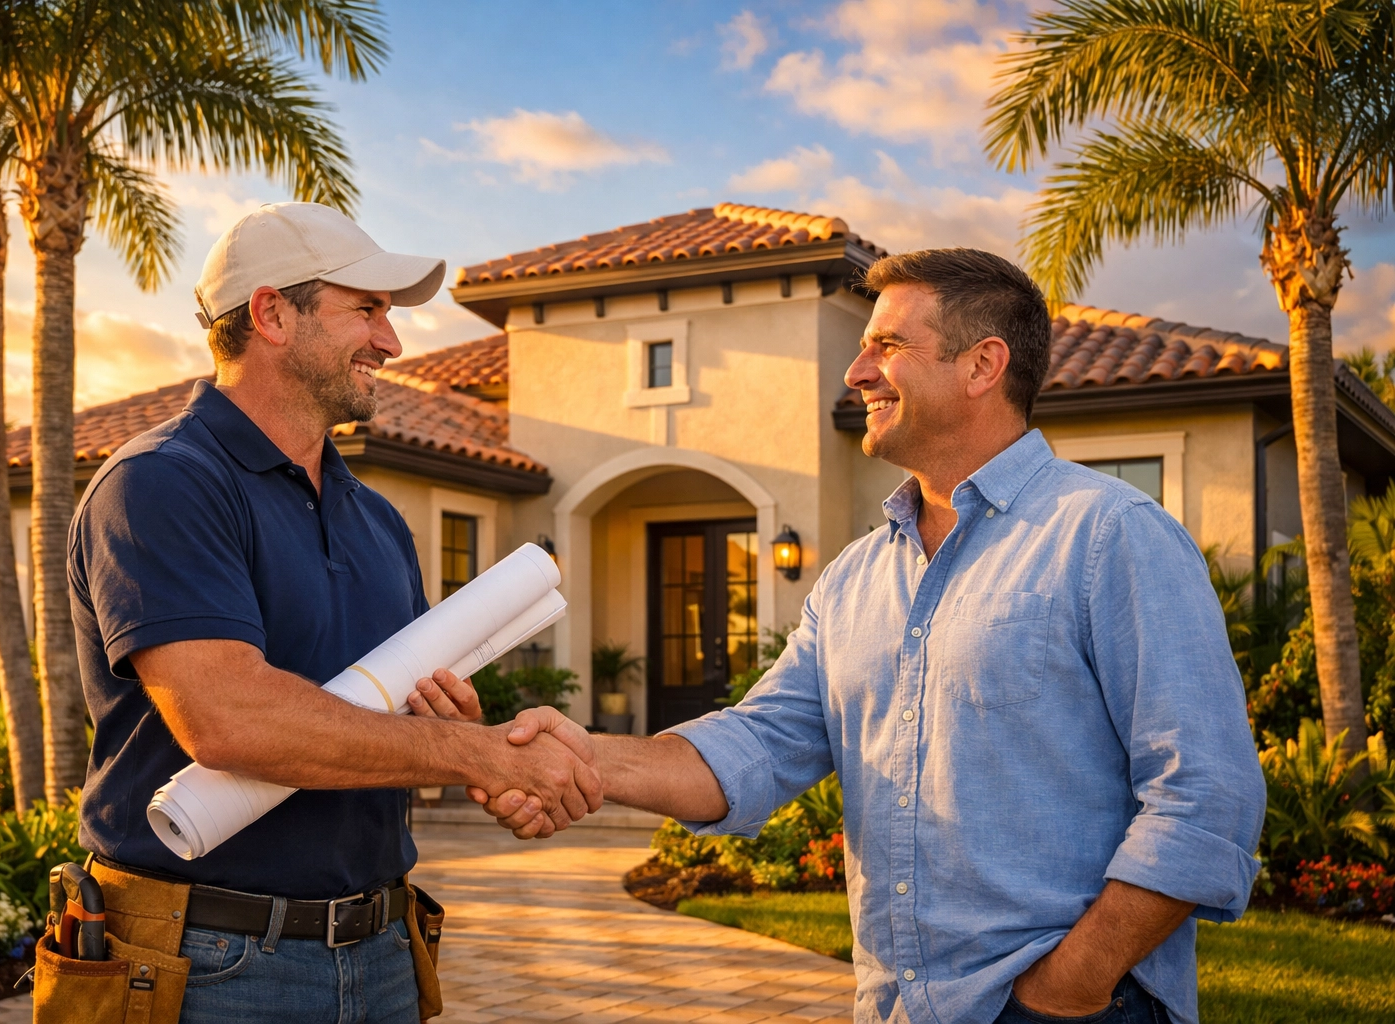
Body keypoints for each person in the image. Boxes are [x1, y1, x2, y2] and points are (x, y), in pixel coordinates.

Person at [475, 249, 1267, 1024]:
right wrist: (577, 755)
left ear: (983, 365)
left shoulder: (1108, 536)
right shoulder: (855, 577)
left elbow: (1205, 800)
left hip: (1072, 1006)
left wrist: (1066, 988)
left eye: (886, 346)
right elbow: (756, 747)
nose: (855, 373)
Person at [67, 202, 600, 1024]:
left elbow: (395, 728)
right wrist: (477, 753)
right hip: (207, 966)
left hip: (382, 953)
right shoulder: (162, 485)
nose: (392, 341)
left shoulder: (377, 521)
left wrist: (465, 744)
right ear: (272, 313)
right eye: (367, 309)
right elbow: (229, 720)